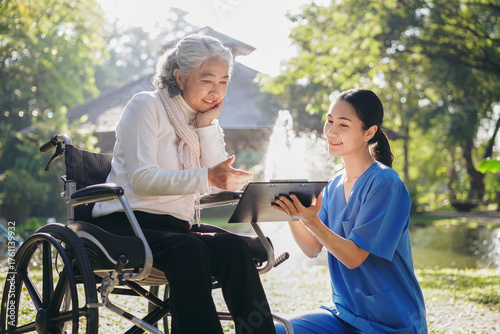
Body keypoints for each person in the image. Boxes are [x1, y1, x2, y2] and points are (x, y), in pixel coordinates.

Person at [92, 34, 276, 334]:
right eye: (208, 80)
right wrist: (207, 176)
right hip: (127, 225)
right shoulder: (146, 105)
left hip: (175, 229)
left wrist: (205, 127)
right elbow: (142, 180)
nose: (216, 90)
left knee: (233, 247)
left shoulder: (203, 121)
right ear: (179, 76)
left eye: (223, 81)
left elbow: (216, 185)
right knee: (189, 249)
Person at [272, 88, 427, 333]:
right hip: (344, 315)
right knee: (275, 330)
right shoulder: (333, 186)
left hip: (390, 322)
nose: (331, 132)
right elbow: (312, 248)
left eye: (343, 125)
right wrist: (293, 214)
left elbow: (354, 257)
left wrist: (311, 221)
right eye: (329, 121)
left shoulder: (386, 184)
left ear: (369, 132)